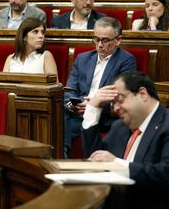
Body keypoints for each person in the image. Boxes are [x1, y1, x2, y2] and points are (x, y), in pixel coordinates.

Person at [83, 71, 169, 208]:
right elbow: (96, 161)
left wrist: (118, 165)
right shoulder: (119, 127)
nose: (116, 108)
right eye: (113, 104)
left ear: (142, 94)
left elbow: (166, 173)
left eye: (120, 99)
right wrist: (92, 109)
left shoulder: (166, 124)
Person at [64, 17, 137, 157]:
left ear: (118, 40)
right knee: (60, 111)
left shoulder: (126, 60)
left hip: (103, 117)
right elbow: (70, 90)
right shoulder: (82, 58)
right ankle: (63, 156)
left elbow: (122, 96)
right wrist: (73, 104)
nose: (99, 45)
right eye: (96, 39)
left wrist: (93, 106)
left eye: (105, 40)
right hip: (79, 113)